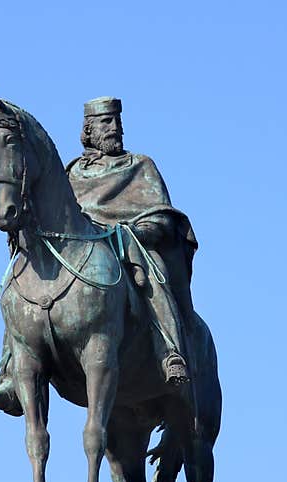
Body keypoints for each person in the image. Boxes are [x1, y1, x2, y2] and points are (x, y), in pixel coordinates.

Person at [66, 96, 198, 385]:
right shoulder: (72, 172)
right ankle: (11, 369)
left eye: (117, 121)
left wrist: (136, 231)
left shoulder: (140, 166)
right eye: (106, 122)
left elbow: (162, 216)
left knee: (155, 270)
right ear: (88, 129)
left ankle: (170, 351)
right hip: (81, 253)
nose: (115, 127)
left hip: (130, 244)